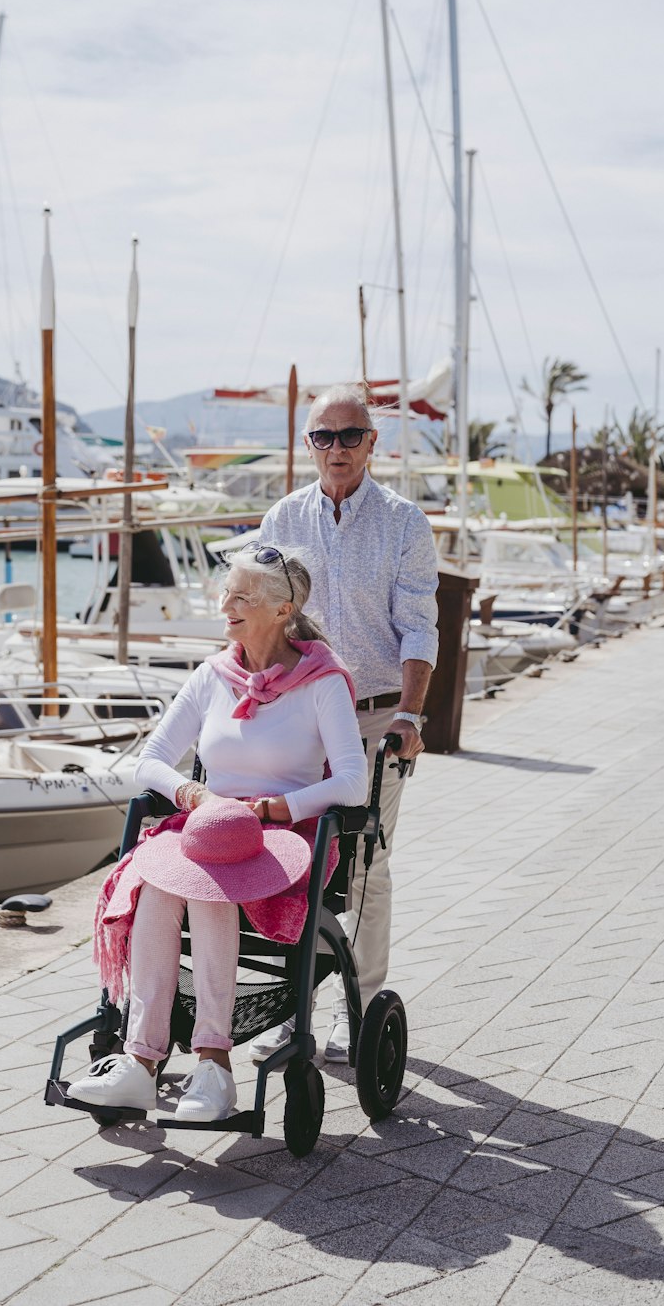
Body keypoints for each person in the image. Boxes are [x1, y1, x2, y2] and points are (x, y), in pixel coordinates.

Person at [67, 543, 368, 1122]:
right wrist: (194, 795)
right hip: (210, 827)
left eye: (242, 597)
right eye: (225, 591)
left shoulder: (323, 681)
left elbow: (353, 782)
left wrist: (280, 808)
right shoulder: (215, 674)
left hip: (287, 842)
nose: (225, 604)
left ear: (283, 611)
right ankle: (140, 1061)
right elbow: (151, 759)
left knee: (208, 885)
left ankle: (214, 1065)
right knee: (158, 879)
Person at [252, 383, 438, 1063]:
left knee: (363, 865)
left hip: (376, 715)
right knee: (285, 857)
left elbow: (420, 626)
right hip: (298, 715)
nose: (337, 449)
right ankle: (283, 1002)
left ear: (371, 443)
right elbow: (263, 620)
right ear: (309, 445)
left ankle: (354, 1007)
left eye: (349, 435)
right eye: (323, 437)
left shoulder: (404, 523)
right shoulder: (282, 519)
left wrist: (412, 714)